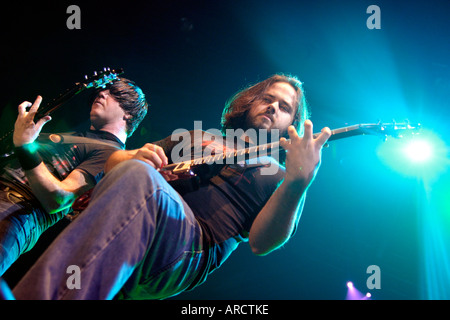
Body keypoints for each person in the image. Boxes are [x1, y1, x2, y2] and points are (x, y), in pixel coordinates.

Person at [11, 74, 331, 300]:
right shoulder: (195, 137)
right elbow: (115, 163)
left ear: (291, 124)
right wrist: (135, 154)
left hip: (186, 252)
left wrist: (298, 181)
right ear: (249, 102)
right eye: (268, 98)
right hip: (126, 230)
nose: (274, 107)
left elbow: (263, 243)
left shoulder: (277, 173)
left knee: (140, 177)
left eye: (285, 107)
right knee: (136, 172)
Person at [0, 77, 148, 277]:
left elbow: (59, 199)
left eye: (116, 94)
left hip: (15, 209)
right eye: (102, 91)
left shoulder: (112, 155)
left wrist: (25, 148)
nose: (102, 94)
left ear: (129, 115)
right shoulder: (81, 136)